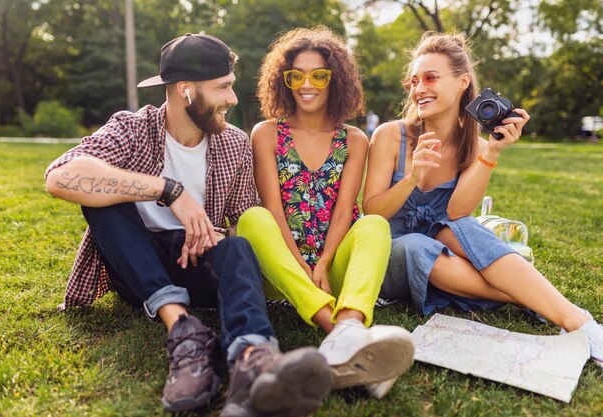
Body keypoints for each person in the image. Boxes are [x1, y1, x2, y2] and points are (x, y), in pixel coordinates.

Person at [44, 33, 334, 417]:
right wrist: (168, 191)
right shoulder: (133, 129)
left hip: (196, 262)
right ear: (185, 90)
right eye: (223, 87)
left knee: (238, 246)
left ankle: (253, 360)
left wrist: (219, 235)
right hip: (135, 266)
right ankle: (184, 333)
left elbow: (248, 217)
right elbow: (60, 177)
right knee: (103, 201)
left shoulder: (233, 143)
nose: (233, 98)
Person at [362, 31, 603, 368]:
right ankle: (535, 298)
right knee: (418, 243)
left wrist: (492, 152)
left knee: (454, 227)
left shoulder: (473, 145)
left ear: (462, 82)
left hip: (445, 257)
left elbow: (458, 212)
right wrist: (413, 178)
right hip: (391, 253)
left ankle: (577, 323)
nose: (419, 89)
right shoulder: (392, 135)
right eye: (414, 81)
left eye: (430, 78)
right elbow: (372, 212)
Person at [237, 26, 415, 400]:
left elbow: (342, 212)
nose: (307, 84)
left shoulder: (354, 140)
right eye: (296, 75)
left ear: (335, 80)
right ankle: (337, 332)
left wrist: (323, 262)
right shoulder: (266, 133)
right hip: (281, 271)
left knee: (374, 224)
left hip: (330, 271)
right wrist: (302, 265)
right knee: (253, 220)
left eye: (318, 75)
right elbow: (273, 209)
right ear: (283, 81)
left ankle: (350, 322)